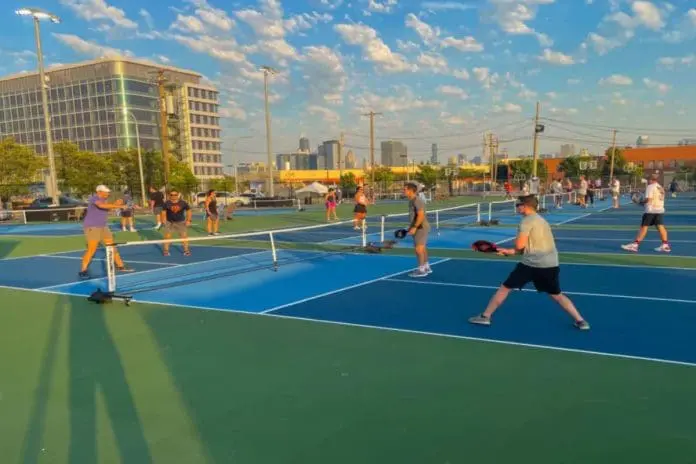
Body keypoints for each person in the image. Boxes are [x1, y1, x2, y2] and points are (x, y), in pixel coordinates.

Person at [469, 195, 590, 330]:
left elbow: (520, 246)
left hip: (531, 264)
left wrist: (514, 249)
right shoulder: (542, 220)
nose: (517, 207)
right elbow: (528, 246)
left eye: (518, 205)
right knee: (557, 295)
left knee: (505, 288)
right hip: (550, 264)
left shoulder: (526, 221)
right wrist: (509, 251)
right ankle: (580, 321)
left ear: (525, 206)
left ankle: (485, 317)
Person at [79, 185, 133, 279]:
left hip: (104, 227)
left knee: (112, 246)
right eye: (106, 192)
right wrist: (119, 205)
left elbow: (107, 208)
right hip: (92, 227)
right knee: (92, 249)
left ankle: (120, 266)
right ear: (99, 192)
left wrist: (115, 204)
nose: (108, 193)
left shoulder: (104, 200)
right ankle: (83, 270)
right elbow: (101, 205)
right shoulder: (94, 198)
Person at [621, 174, 670, 253]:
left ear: (651, 180)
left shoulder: (650, 187)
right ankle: (665, 245)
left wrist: (640, 202)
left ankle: (635, 245)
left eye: (648, 179)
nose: (647, 181)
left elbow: (649, 200)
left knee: (643, 228)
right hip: (660, 209)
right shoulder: (660, 187)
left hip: (651, 210)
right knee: (661, 227)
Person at [404, 182, 432, 277]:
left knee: (418, 249)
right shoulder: (411, 201)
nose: (404, 191)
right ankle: (426, 267)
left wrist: (415, 227)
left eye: (405, 189)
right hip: (418, 227)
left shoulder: (417, 200)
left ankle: (421, 270)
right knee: (422, 248)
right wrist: (411, 227)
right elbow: (415, 216)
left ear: (411, 190)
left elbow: (421, 215)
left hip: (421, 227)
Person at [161, 189, 193, 256]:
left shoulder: (183, 203)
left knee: (184, 236)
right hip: (169, 222)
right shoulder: (166, 203)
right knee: (167, 236)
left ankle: (186, 251)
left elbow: (189, 211)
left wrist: (188, 220)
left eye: (175, 195)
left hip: (180, 222)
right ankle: (166, 251)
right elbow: (163, 212)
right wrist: (163, 219)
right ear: (169, 195)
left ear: (178, 195)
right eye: (171, 195)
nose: (173, 196)